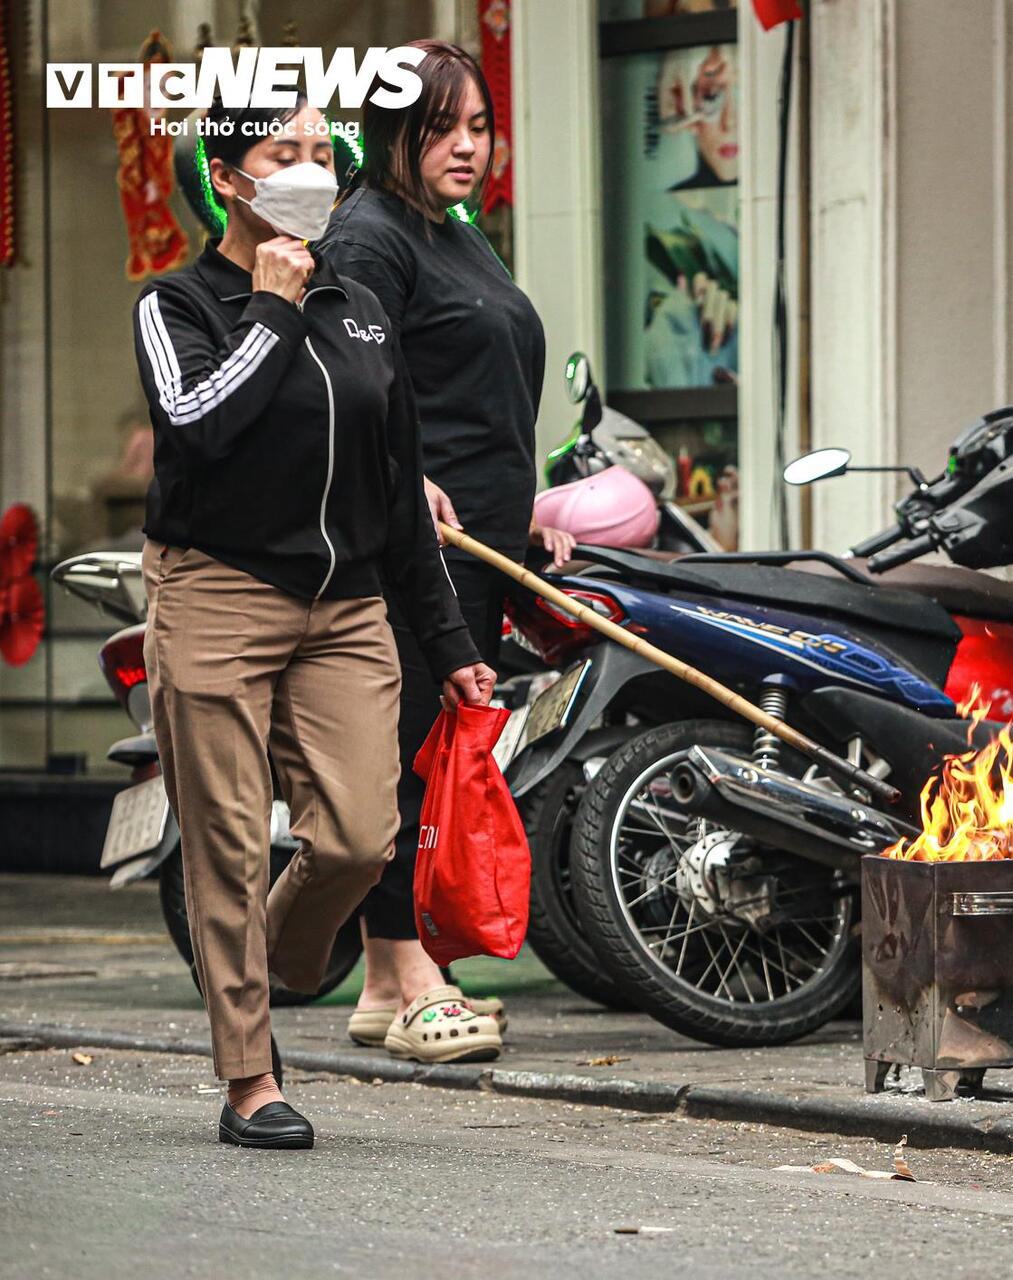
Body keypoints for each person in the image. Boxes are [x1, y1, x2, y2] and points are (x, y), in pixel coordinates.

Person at [131, 97, 494, 1148]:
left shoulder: (360, 305)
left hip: (346, 608)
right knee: (230, 844)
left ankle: (278, 959)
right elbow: (202, 426)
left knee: (358, 834)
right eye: (278, 153)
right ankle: (251, 1076)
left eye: (317, 153)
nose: (308, 170)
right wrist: (272, 310)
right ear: (229, 179)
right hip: (217, 591)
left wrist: (454, 645)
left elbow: (398, 487)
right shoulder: (180, 303)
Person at [320, 40, 567, 1063]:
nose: (466, 147)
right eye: (440, 128)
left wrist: (531, 499)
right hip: (410, 548)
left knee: (444, 753)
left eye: (478, 127)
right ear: (393, 132)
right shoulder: (370, 236)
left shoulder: (456, 231)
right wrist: (402, 473)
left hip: (488, 543)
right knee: (407, 760)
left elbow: (481, 386)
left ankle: (386, 980)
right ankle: (416, 966)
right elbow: (344, 376)